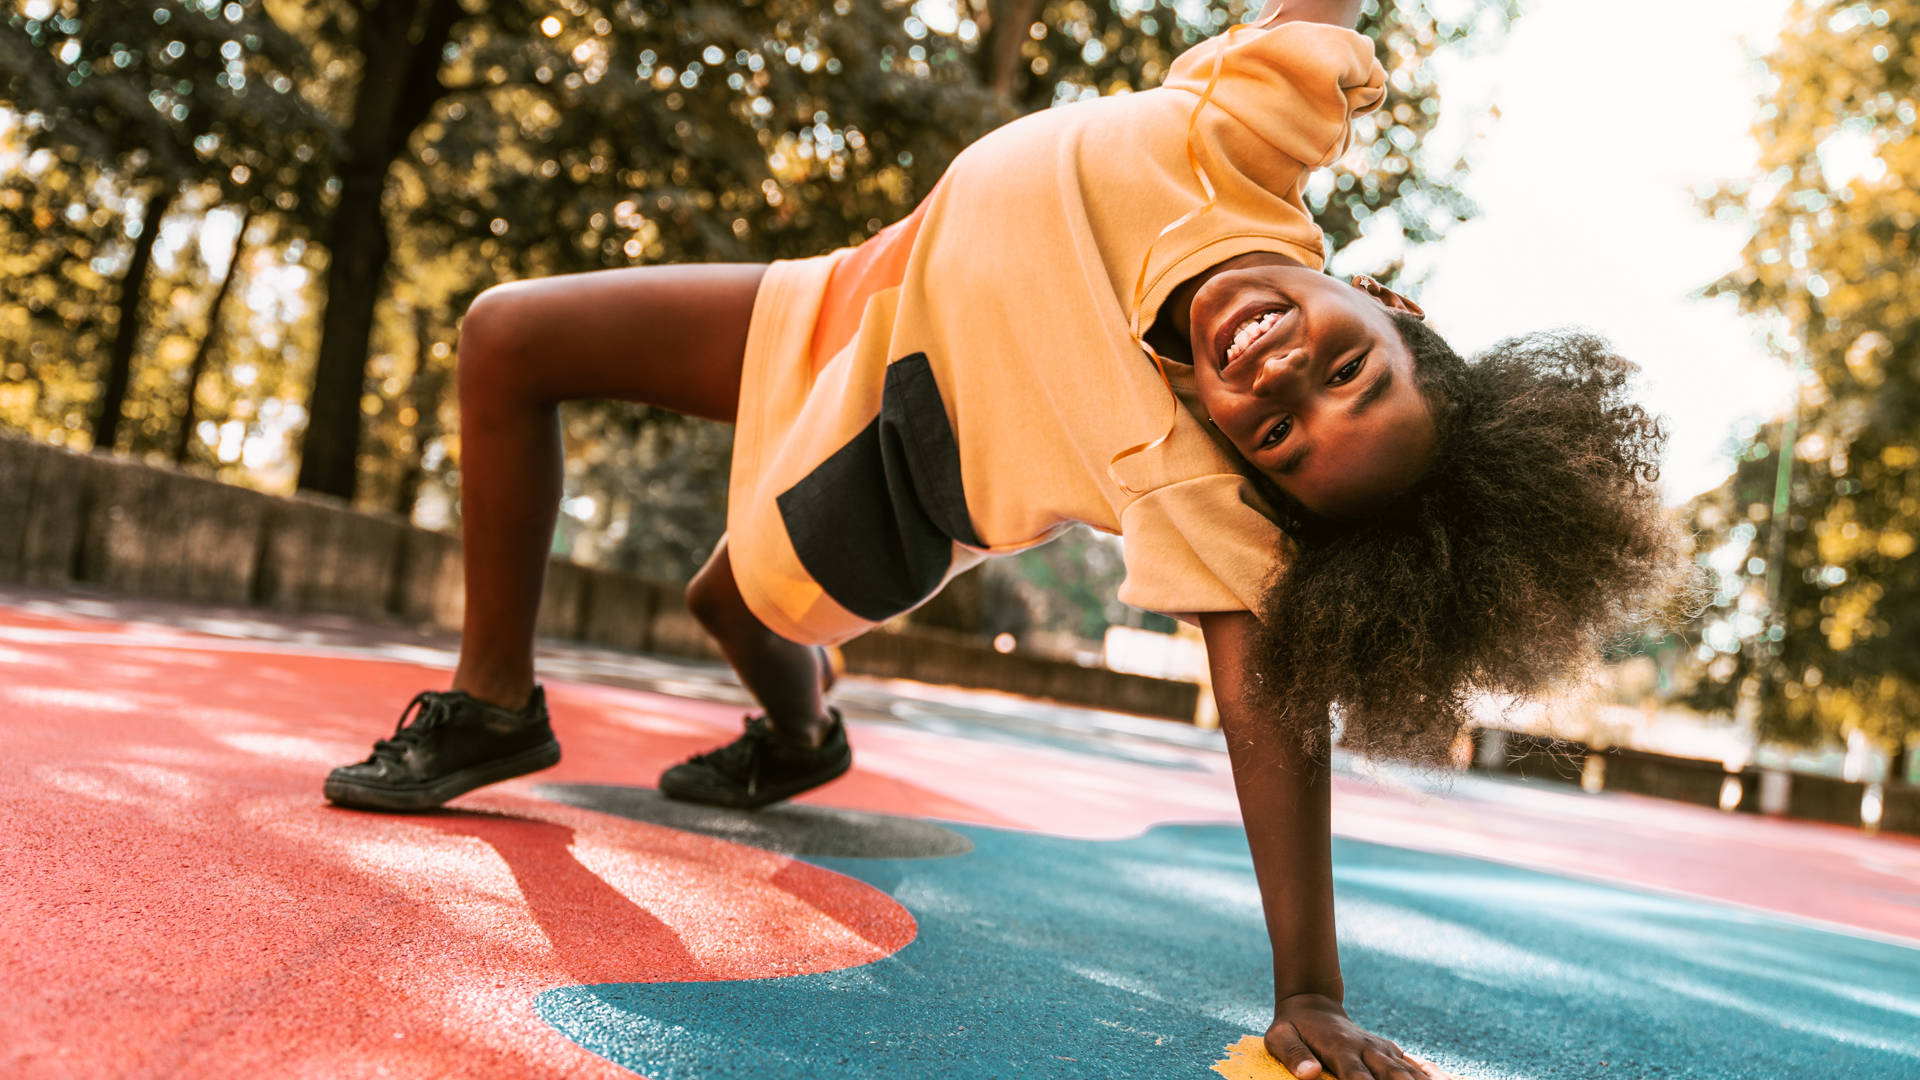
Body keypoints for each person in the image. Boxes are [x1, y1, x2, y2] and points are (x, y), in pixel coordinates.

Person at [324, 1, 1689, 1076]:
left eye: (1284, 439)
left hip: (894, 475)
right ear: (1389, 302)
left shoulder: (1197, 484)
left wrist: (1310, 991)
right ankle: (500, 705)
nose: (1282, 385)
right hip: (851, 296)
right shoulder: (1247, 137)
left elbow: (1271, 719)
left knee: (739, 603)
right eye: (1351, 373)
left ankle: (799, 731)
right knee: (508, 333)